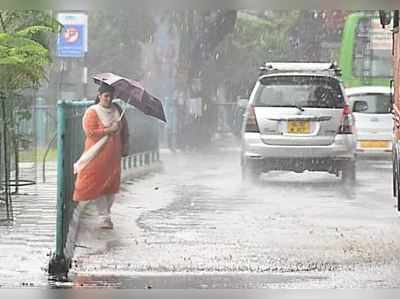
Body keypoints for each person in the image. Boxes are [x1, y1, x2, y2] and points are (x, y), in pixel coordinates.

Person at [73, 83, 129, 229]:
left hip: (114, 155)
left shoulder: (117, 110)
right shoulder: (92, 112)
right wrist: (109, 130)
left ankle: (106, 214)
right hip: (97, 154)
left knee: (111, 185)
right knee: (97, 183)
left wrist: (125, 146)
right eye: (106, 96)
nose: (109, 99)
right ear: (99, 96)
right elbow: (90, 131)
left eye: (111, 96)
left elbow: (124, 131)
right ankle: (104, 216)